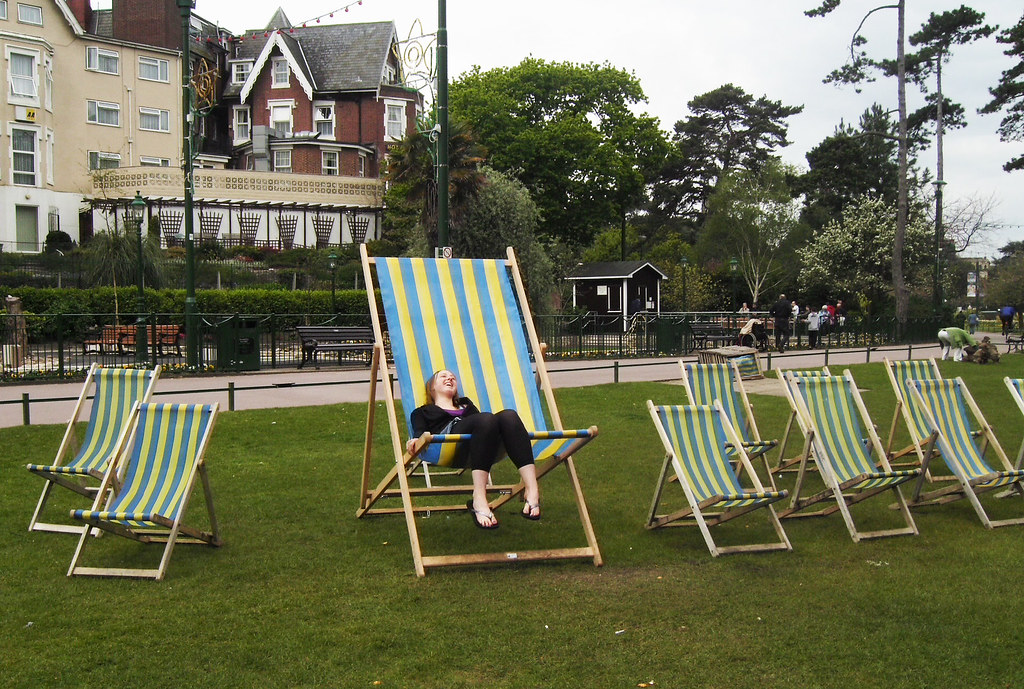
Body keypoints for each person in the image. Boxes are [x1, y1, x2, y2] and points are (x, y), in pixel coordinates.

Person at [407, 369, 540, 529]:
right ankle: (479, 497)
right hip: (448, 447)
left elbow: (487, 428)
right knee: (485, 418)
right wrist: (415, 439)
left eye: (452, 377)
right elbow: (419, 431)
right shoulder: (422, 411)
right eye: (443, 376)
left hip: (479, 448)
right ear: (432, 387)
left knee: (509, 416)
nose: (449, 378)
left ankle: (532, 490)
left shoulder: (466, 404)